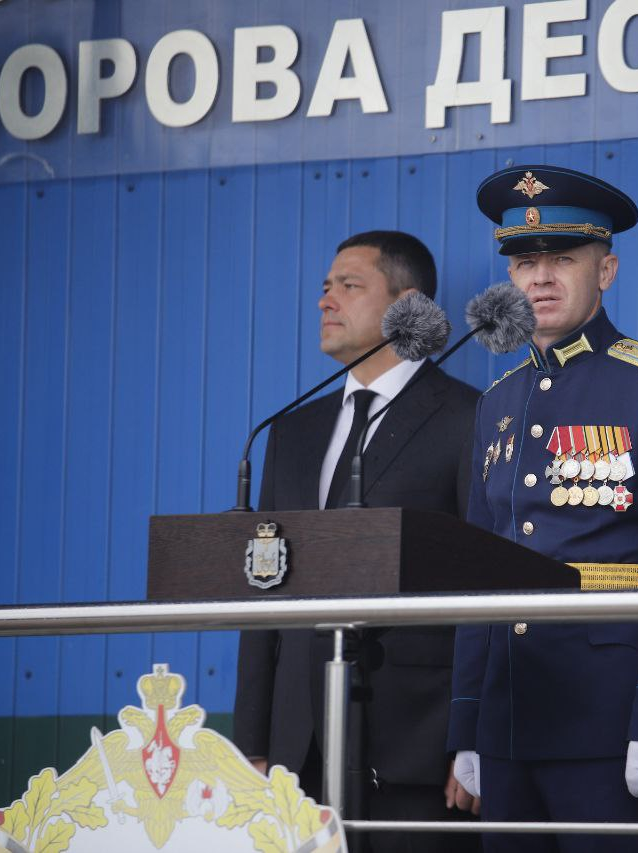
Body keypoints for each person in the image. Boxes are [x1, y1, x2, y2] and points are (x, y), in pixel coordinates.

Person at [447, 166, 638, 852]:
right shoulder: (497, 403)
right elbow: (478, 571)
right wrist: (467, 723)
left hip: (613, 715)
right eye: (524, 261)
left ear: (607, 270)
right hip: (509, 720)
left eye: (562, 259)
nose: (539, 278)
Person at [234, 230, 482, 852]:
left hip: (419, 748)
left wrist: (473, 736)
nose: (326, 301)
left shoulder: (470, 417)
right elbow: (263, 592)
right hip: (297, 752)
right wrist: (254, 744)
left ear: (409, 306)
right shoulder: (288, 433)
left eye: (349, 286)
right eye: (324, 287)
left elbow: (489, 586)